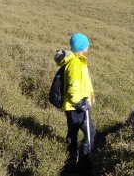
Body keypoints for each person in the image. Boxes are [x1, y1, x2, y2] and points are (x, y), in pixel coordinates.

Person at [59, 32, 96, 171]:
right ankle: (84, 163)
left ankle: (72, 160)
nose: (89, 45)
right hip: (77, 106)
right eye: (87, 44)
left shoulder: (76, 60)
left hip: (74, 106)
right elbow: (73, 85)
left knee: (73, 133)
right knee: (90, 133)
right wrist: (79, 103)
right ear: (82, 47)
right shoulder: (76, 63)